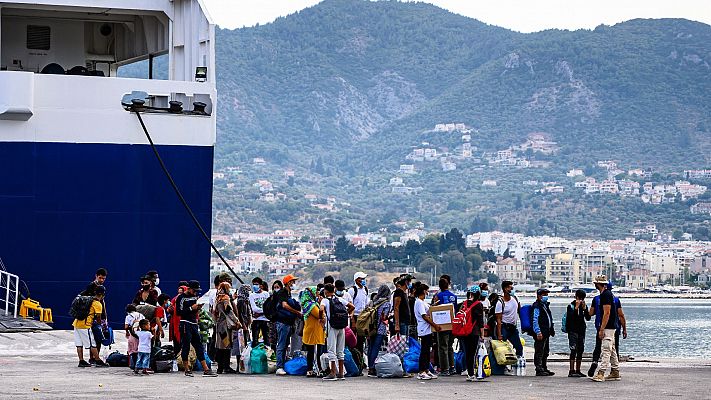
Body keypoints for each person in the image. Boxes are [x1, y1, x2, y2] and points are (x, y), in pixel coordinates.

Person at [177, 280, 216, 377]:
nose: (195, 293)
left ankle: (206, 368)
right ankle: (187, 368)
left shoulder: (195, 297)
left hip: (194, 323)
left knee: (199, 346)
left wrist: (198, 308)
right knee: (186, 346)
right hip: (185, 323)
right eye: (194, 290)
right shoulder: (181, 298)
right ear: (189, 289)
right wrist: (191, 308)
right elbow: (179, 312)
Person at [588, 282, 627, 376]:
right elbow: (621, 315)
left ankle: (598, 367)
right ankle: (615, 370)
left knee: (601, 347)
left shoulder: (597, 298)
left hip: (602, 326)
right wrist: (624, 328)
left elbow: (591, 313)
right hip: (615, 326)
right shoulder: (616, 300)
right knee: (613, 348)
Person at [320, 283, 355, 381]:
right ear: (334, 290)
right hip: (342, 327)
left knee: (331, 350)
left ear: (326, 291)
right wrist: (344, 315)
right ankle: (341, 373)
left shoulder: (325, 300)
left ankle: (333, 373)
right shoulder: (339, 299)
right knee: (340, 350)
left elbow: (321, 309)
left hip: (331, 326)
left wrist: (321, 318)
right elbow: (352, 306)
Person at [73, 284, 109, 367]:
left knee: (79, 344)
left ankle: (81, 361)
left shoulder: (88, 299)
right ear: (102, 295)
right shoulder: (97, 304)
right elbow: (99, 317)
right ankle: (98, 360)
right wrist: (100, 326)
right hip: (85, 325)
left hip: (76, 323)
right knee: (92, 343)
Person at [274, 274, 302, 375]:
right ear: (288, 283)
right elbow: (284, 305)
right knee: (281, 344)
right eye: (292, 282)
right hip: (283, 322)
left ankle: (283, 364)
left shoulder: (289, 293)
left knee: (285, 344)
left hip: (288, 323)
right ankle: (279, 366)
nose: (294, 283)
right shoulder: (283, 293)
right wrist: (297, 312)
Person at [80, 267, 108, 362]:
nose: (102, 280)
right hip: (94, 317)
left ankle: (95, 357)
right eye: (100, 278)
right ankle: (94, 358)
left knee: (98, 338)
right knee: (96, 338)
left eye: (103, 278)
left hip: (101, 315)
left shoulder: (100, 287)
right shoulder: (91, 286)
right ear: (96, 276)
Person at [414, 282, 440, 380]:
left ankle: (427, 369)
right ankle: (421, 371)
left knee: (427, 350)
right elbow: (424, 316)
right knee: (424, 351)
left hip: (428, 329)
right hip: (423, 328)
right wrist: (435, 325)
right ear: (424, 291)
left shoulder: (423, 302)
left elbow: (429, 311)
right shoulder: (419, 302)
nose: (428, 292)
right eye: (427, 291)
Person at [213, 282, 241, 374]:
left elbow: (214, 312)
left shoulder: (217, 298)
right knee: (226, 345)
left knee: (220, 346)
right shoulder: (225, 298)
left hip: (219, 324)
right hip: (225, 325)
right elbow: (229, 311)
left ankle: (220, 368)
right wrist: (237, 321)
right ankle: (226, 367)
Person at [366, 285, 391, 377]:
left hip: (371, 328)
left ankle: (370, 367)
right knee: (376, 348)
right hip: (380, 329)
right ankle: (373, 368)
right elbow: (384, 317)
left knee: (371, 347)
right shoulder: (386, 304)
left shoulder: (373, 302)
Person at [495, 281, 524, 358]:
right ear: (505, 289)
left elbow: (520, 312)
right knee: (502, 349)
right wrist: (499, 334)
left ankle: (517, 365)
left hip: (513, 328)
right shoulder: (500, 302)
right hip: (504, 327)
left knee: (519, 347)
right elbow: (498, 319)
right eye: (510, 288)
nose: (511, 290)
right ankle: (503, 367)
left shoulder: (515, 298)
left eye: (512, 288)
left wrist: (524, 325)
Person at [461, 286, 484, 381]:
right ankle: (471, 374)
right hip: (473, 331)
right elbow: (480, 321)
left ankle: (468, 372)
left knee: (467, 353)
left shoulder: (464, 303)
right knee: (472, 353)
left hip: (464, 331)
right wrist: (482, 334)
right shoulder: (478, 304)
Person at [434, 278, 457, 375]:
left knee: (443, 347)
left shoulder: (438, 296)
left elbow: (435, 309)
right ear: (448, 285)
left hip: (442, 324)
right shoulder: (454, 296)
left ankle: (444, 369)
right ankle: (452, 367)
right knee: (450, 346)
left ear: (439, 286)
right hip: (452, 323)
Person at [301, 286, 325, 377]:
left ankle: (310, 370)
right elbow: (320, 315)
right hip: (314, 331)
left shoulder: (306, 304)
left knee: (311, 351)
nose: (318, 295)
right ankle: (318, 369)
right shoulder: (312, 305)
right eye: (316, 293)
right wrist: (321, 304)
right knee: (315, 352)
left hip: (311, 330)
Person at [566, 289, 591, 377]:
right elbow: (571, 318)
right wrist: (576, 308)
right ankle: (571, 370)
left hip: (581, 331)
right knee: (573, 350)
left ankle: (578, 370)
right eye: (579, 298)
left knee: (580, 350)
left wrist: (584, 309)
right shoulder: (571, 306)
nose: (581, 300)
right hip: (572, 331)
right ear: (576, 297)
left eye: (582, 298)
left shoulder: (584, 306)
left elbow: (588, 318)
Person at [532, 288, 555, 376]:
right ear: (539, 296)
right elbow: (535, 319)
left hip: (546, 332)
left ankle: (544, 367)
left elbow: (549, 318)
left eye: (546, 295)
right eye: (544, 295)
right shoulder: (537, 306)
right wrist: (538, 332)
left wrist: (551, 329)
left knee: (545, 351)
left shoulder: (545, 305)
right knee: (539, 351)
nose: (546, 296)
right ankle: (539, 368)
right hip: (540, 332)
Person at [348, 272, 369, 353]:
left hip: (363, 317)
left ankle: (360, 356)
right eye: (362, 278)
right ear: (356, 280)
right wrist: (353, 321)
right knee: (354, 339)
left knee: (361, 339)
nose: (363, 280)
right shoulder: (352, 290)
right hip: (355, 316)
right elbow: (350, 306)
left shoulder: (365, 289)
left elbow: (366, 304)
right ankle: (355, 355)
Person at [249, 277, 270, 348]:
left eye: (256, 284)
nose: (255, 286)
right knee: (255, 340)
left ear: (261, 285)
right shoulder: (252, 295)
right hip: (256, 320)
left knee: (267, 340)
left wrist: (261, 313)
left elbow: (269, 307)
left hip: (265, 320)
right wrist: (265, 311)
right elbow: (254, 309)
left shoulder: (266, 294)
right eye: (254, 284)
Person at [168, 281, 189, 352]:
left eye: (181, 293)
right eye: (179, 292)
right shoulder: (174, 299)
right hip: (175, 324)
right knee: (177, 343)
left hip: (185, 325)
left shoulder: (189, 300)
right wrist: (170, 310)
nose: (179, 294)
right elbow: (170, 310)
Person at [124, 303, 145, 369]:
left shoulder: (128, 316)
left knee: (133, 350)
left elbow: (126, 326)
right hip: (141, 335)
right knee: (140, 349)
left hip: (133, 335)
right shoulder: (141, 315)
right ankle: (142, 364)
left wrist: (127, 332)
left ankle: (136, 365)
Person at [234, 284, 253, 351]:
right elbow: (239, 313)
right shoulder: (241, 300)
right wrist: (243, 325)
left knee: (246, 341)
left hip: (246, 323)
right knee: (242, 342)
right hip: (243, 325)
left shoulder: (246, 300)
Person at [268, 280, 284, 350]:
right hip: (273, 321)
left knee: (282, 340)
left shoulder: (284, 297)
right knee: (273, 341)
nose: (276, 289)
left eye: (277, 287)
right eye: (274, 287)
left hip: (282, 321)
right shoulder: (271, 298)